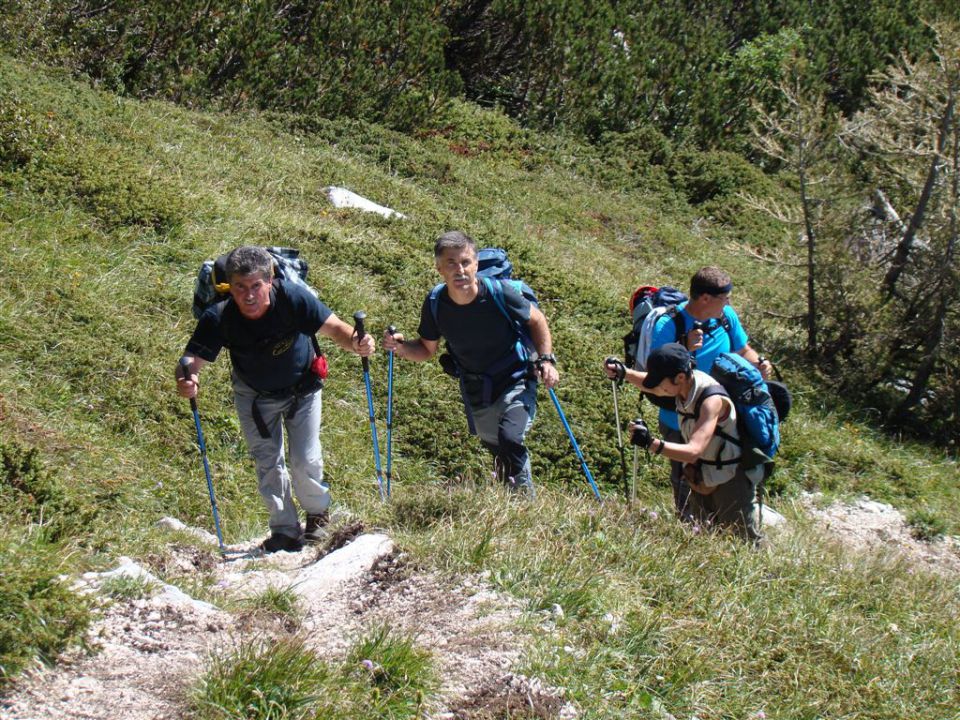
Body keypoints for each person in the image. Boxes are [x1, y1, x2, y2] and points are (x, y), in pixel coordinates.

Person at [176, 246, 375, 553]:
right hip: (254, 395)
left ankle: (318, 518)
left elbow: (335, 328)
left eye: (256, 285)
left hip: (303, 388)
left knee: (305, 458)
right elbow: (190, 361)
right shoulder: (220, 317)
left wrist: (358, 342)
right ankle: (284, 531)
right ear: (230, 286)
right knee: (267, 462)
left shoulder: (292, 299)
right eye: (240, 287)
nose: (249, 295)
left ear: (269, 281)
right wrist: (187, 379)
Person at [382, 231, 559, 494]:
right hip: (476, 387)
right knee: (497, 448)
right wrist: (400, 348)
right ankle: (507, 501)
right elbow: (426, 349)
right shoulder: (435, 303)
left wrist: (546, 360)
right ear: (439, 268)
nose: (460, 270)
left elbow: (537, 320)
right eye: (451, 263)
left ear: (476, 264)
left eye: (465, 262)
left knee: (510, 439)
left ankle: (525, 508)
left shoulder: (500, 293)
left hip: (517, 378)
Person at [606, 266, 770, 519]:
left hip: (725, 418)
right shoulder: (668, 325)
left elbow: (742, 349)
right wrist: (683, 346)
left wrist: (758, 362)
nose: (728, 303)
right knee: (689, 480)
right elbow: (656, 376)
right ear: (705, 298)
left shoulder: (726, 317)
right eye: (724, 298)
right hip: (679, 419)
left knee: (726, 476)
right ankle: (691, 531)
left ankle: (721, 532)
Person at [626, 343, 763, 542]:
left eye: (661, 380)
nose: (659, 386)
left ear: (679, 377)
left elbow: (693, 450)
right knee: (704, 538)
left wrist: (651, 443)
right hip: (701, 476)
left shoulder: (711, 400)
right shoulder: (681, 388)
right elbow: (654, 388)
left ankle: (763, 572)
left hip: (730, 478)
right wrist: (624, 373)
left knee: (743, 541)